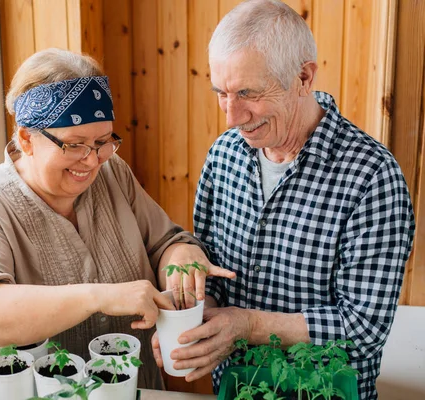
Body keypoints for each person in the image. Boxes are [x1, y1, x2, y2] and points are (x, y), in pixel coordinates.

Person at [151, 1, 415, 399]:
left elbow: (363, 330)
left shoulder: (373, 177)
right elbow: (215, 272)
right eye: (221, 93)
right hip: (234, 389)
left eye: (247, 93)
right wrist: (191, 318)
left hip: (324, 391)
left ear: (304, 77)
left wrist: (246, 325)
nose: (231, 116)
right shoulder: (223, 155)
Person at [0, 48, 234, 389]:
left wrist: (181, 258)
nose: (92, 160)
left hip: (130, 391)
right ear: (26, 139)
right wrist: (101, 297)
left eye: (103, 141)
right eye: (75, 144)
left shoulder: (113, 173)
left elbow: (165, 242)